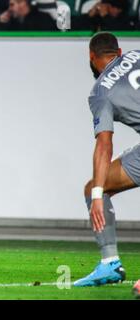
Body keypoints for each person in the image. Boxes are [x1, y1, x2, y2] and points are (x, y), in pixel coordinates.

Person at [73, 32, 140, 287]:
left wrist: (99, 196)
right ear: (119, 51)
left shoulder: (100, 90)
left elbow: (104, 144)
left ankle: (109, 261)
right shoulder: (137, 55)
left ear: (91, 57)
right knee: (93, 188)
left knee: (94, 189)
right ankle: (110, 264)